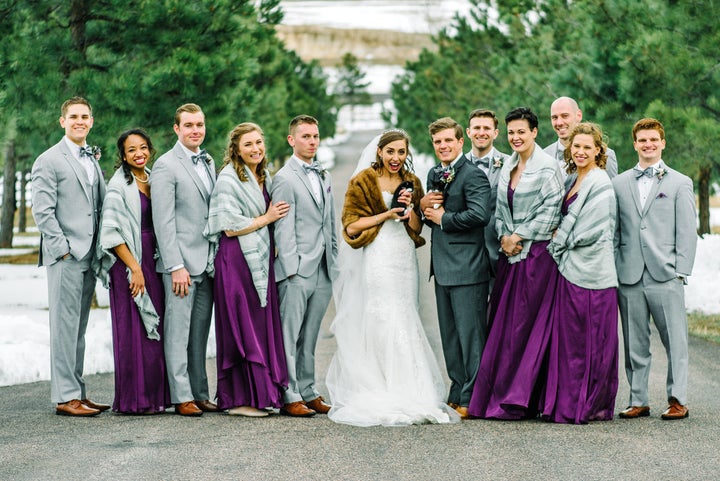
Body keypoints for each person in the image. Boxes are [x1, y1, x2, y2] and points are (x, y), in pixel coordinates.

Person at [325, 129, 458, 426]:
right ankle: (380, 383)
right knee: (383, 315)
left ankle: (411, 386)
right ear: (380, 152)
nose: (396, 158)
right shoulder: (363, 181)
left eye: (401, 152)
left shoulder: (412, 181)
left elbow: (416, 227)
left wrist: (408, 209)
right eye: (391, 152)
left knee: (405, 313)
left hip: (403, 257)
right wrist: (386, 214)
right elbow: (351, 226)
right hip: (378, 256)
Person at [467, 107, 563, 420]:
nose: (516, 137)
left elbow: (551, 213)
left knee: (528, 326)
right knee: (505, 326)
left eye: (522, 131)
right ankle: (501, 392)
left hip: (537, 258)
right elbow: (499, 212)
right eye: (511, 133)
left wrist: (518, 235)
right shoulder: (508, 164)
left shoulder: (549, 168)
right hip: (510, 257)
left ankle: (524, 397)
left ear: (535, 132)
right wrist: (504, 237)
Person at [613, 118, 697, 420]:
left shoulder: (680, 182)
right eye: (642, 140)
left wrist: (680, 270)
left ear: (662, 143)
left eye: (653, 140)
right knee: (635, 341)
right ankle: (638, 399)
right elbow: (616, 230)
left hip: (666, 274)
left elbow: (687, 230)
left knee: (674, 339)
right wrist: (616, 267)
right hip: (630, 273)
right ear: (634, 144)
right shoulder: (619, 183)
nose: (648, 145)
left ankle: (678, 398)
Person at [204, 123, 290, 417]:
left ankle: (260, 394)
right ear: (236, 150)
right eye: (248, 145)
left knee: (259, 325)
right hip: (236, 260)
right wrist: (267, 218)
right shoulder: (229, 179)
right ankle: (238, 399)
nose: (255, 149)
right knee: (241, 326)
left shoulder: (263, 175)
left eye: (258, 143)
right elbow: (228, 227)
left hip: (259, 260)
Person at [31, 96, 109, 417]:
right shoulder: (48, 160)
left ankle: (77, 391)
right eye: (73, 116)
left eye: (85, 116)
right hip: (66, 256)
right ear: (62, 121)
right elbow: (42, 211)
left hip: (89, 256)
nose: (80, 121)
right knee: (63, 329)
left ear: (91, 121)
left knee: (78, 329)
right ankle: (65, 397)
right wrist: (62, 248)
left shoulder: (91, 158)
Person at [541, 123, 618, 424]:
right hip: (570, 269)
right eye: (577, 146)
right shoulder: (572, 178)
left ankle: (590, 405)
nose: (581, 151)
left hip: (593, 274)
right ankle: (567, 402)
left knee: (592, 341)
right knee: (570, 342)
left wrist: (559, 241)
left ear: (599, 150)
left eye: (588, 147)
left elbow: (597, 229)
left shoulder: (600, 181)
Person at [419, 117, 491, 419]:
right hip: (443, 266)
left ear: (461, 142)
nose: (443, 146)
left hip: (468, 267)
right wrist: (424, 209)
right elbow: (430, 215)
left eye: (448, 140)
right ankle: (457, 388)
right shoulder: (435, 173)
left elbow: (479, 214)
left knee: (471, 336)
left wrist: (443, 219)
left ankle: (473, 397)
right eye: (438, 142)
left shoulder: (474, 175)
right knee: (449, 335)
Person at [96, 129, 171, 415]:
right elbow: (112, 234)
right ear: (123, 156)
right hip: (128, 263)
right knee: (132, 331)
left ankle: (155, 397)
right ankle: (134, 400)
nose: (138, 153)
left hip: (152, 258)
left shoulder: (152, 178)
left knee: (153, 331)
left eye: (143, 148)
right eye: (131, 150)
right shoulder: (118, 186)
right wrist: (135, 268)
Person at [151, 103, 218, 416]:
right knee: (178, 333)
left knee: (199, 334)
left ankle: (200, 392)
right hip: (180, 265)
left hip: (207, 263)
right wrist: (175, 266)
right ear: (176, 129)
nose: (196, 130)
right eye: (189, 125)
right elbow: (163, 221)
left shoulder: (208, 161)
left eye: (200, 125)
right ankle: (181, 396)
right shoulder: (166, 165)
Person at [270, 115, 337, 417]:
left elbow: (329, 222)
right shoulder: (284, 178)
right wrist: (291, 267)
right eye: (306, 136)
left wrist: (333, 258)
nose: (312, 141)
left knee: (310, 335)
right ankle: (289, 392)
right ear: (291, 140)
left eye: (315, 136)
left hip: (323, 268)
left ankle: (308, 390)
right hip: (297, 270)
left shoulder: (324, 174)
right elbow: (283, 228)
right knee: (289, 334)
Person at [465, 109, 511, 285]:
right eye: (477, 128)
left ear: (495, 133)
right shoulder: (455, 167)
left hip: (502, 251)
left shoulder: (511, 164)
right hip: (467, 256)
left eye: (486, 128)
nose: (481, 133)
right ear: (468, 132)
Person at [544, 97, 618, 187]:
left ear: (578, 115)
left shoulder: (605, 155)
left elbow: (611, 195)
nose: (559, 122)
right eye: (554, 117)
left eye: (565, 116)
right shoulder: (543, 155)